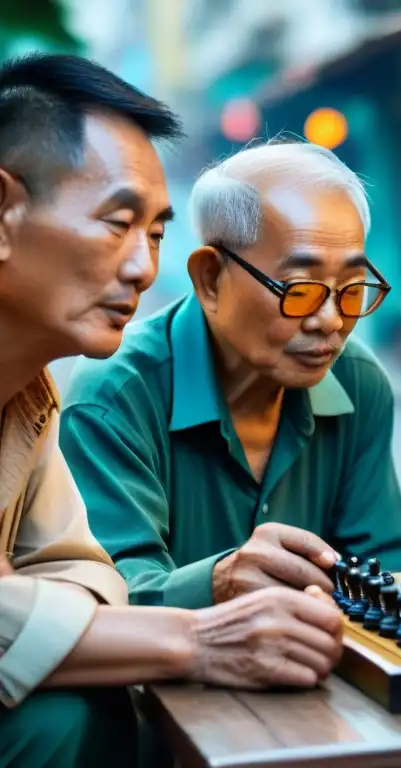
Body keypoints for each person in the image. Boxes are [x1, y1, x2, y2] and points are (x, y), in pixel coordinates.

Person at [0, 54, 344, 768]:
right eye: (117, 223)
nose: (142, 269)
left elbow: (88, 577)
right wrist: (197, 636)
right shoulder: (113, 389)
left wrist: (31, 607)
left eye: (155, 234)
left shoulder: (32, 396)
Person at [59, 138, 401, 610]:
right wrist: (219, 581)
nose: (330, 320)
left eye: (351, 288)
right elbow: (109, 595)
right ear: (210, 278)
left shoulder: (358, 383)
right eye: (299, 288)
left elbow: (382, 567)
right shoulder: (115, 396)